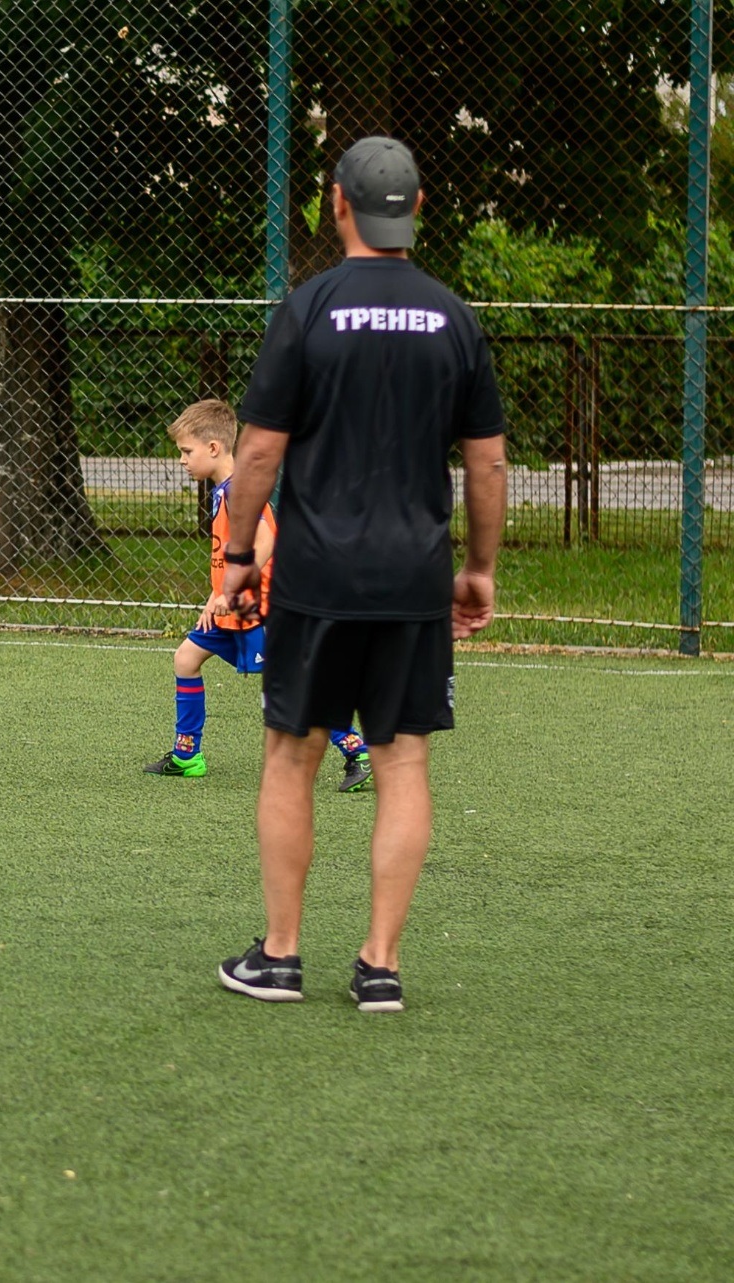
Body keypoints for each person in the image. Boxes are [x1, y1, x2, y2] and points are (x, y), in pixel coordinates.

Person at [214, 137, 506, 1014]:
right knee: (402, 758)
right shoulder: (454, 318)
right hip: (414, 580)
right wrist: (478, 568)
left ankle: (280, 956)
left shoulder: (308, 308)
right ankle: (380, 965)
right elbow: (487, 463)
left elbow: (257, 452)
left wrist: (237, 558)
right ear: (417, 208)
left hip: (316, 578)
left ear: (338, 203)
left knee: (290, 754)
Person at [142, 398, 372, 791]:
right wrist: (214, 597)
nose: (182, 460)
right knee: (186, 658)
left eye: (186, 451)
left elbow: (266, 540)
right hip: (230, 608)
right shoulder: (224, 491)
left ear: (213, 448)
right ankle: (186, 755)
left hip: (257, 608)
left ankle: (356, 750)